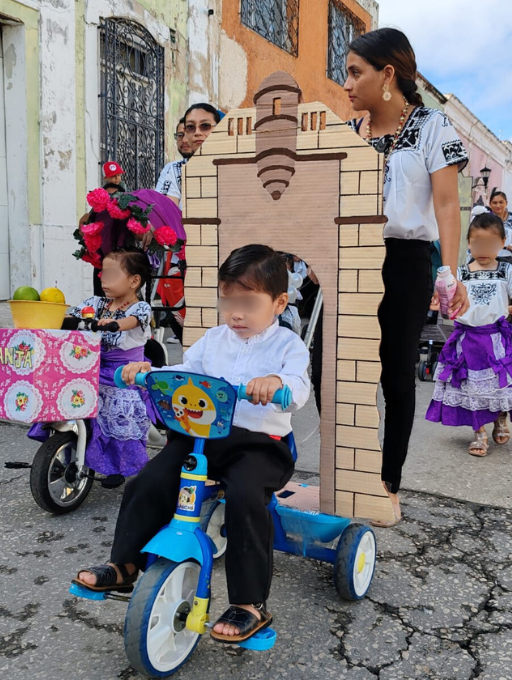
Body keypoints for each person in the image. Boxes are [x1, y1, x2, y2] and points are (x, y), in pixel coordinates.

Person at [72, 244, 310, 644]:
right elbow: (186, 371)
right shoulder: (214, 340)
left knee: (247, 498)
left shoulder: (287, 346)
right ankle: (127, 565)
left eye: (248, 302)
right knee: (148, 480)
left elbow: (299, 387)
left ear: (278, 302)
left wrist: (277, 385)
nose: (235, 312)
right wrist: (149, 371)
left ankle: (250, 603)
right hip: (201, 440)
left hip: (258, 445)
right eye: (227, 300)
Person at [343, 28, 469, 526]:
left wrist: (450, 271)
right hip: (350, 255)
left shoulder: (433, 126)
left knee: (396, 373)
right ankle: (347, 466)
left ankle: (386, 480)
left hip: (405, 259)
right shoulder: (351, 133)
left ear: (388, 74)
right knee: (328, 364)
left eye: (356, 72)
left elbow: (446, 204)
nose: (347, 83)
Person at [29, 248, 156, 489]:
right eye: (102, 274)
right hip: (91, 366)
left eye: (111, 274)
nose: (104, 279)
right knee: (67, 395)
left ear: (134, 280)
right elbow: (71, 316)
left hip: (124, 373)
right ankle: (68, 449)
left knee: (118, 419)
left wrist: (113, 324)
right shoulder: (96, 304)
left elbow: (126, 323)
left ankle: (119, 466)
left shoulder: (139, 309)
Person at [425, 213, 512, 456]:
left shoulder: (506, 270)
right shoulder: (460, 273)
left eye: (491, 244)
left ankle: (500, 418)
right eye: (478, 243)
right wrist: (439, 302)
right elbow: (449, 306)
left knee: (501, 385)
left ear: (502, 243)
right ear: (468, 243)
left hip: (496, 340)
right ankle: (479, 433)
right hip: (467, 340)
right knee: (471, 389)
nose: (484, 249)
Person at [156, 104, 222, 204]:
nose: (197, 132)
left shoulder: (236, 165)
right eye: (190, 127)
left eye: (205, 126)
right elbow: (167, 212)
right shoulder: (176, 170)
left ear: (219, 129)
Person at [488, 190, 512, 266]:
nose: (498, 205)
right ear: (490, 204)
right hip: (490, 256)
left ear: (506, 203)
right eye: (494, 203)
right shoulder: (485, 219)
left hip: (510, 257)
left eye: (501, 202)